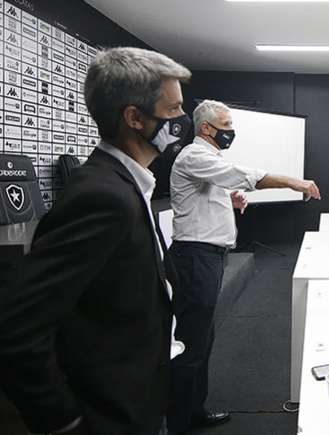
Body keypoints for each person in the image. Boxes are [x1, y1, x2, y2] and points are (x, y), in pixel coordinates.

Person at [0, 47, 191, 435]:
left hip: (141, 398)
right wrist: (64, 423)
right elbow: (17, 329)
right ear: (134, 117)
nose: (180, 121)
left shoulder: (126, 184)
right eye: (172, 111)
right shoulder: (101, 196)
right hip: (111, 415)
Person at [168, 100, 321, 434]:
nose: (231, 131)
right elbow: (243, 175)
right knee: (191, 344)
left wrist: (229, 199)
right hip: (195, 258)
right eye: (226, 124)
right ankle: (177, 422)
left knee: (202, 341)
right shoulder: (195, 156)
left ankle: (196, 410)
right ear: (206, 128)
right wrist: (295, 182)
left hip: (208, 257)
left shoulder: (208, 159)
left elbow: (214, 190)